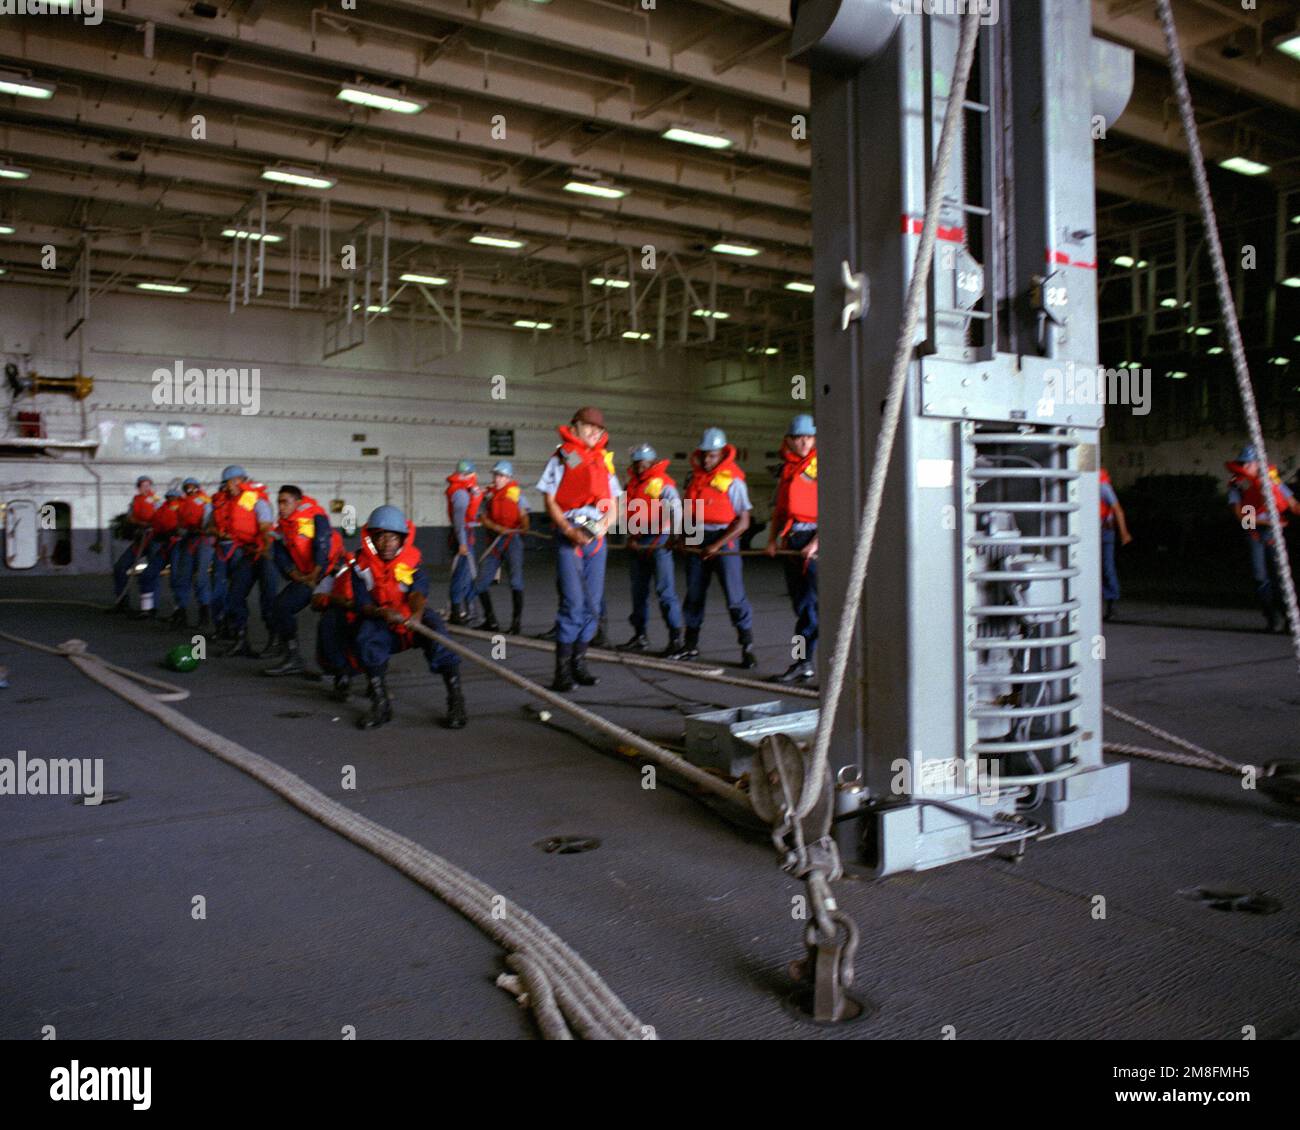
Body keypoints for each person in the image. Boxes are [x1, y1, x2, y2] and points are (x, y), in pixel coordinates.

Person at [336, 506, 466, 730]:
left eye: (393, 537)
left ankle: (456, 701)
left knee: (440, 637)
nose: (387, 543)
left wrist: (415, 616)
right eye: (382, 537)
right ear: (372, 539)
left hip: (411, 616)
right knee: (365, 637)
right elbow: (362, 603)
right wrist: (380, 612)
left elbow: (417, 592)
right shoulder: (360, 565)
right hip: (382, 618)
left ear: (402, 539)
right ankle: (381, 705)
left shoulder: (411, 561)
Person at [537, 406, 621, 691]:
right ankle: (561, 671)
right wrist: (569, 530)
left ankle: (579, 663)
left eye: (598, 429)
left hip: (596, 539)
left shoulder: (603, 462)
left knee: (592, 604)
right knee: (573, 603)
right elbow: (550, 500)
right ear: (574, 427)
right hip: (569, 535)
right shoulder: (562, 457)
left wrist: (596, 530)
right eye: (588, 427)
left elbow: (615, 505)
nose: (593, 432)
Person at [671, 427, 756, 668]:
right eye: (705, 455)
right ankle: (690, 645)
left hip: (725, 537)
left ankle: (747, 647)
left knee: (734, 596)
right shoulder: (694, 479)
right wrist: (681, 539)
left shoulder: (733, 482)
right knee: (694, 594)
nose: (707, 460)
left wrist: (717, 545)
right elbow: (689, 513)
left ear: (722, 455)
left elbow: (744, 521)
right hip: (698, 536)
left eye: (713, 455)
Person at [262, 486, 344, 677]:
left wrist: (314, 576)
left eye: (285, 502)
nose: (281, 507)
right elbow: (281, 553)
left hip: (330, 573)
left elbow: (322, 546)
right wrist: (295, 575)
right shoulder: (283, 526)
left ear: (298, 502)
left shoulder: (316, 517)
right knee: (281, 607)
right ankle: (293, 658)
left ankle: (340, 668)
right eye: (279, 502)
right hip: (307, 577)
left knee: (333, 618)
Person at [765, 414, 819, 682]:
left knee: (811, 607)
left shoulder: (823, 467)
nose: (804, 442)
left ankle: (804, 661)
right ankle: (803, 661)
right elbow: (780, 510)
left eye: (808, 437)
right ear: (789, 441)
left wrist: (816, 543)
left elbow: (835, 508)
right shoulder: (788, 470)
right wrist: (772, 539)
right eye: (799, 438)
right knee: (801, 606)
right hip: (792, 542)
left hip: (814, 543)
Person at [617, 443, 684, 655]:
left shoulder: (662, 484)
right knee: (638, 593)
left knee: (665, 592)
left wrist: (674, 536)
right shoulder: (632, 485)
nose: (639, 468)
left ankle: (676, 640)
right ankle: (640, 635)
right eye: (636, 464)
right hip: (637, 542)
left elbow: (676, 510)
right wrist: (629, 537)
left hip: (659, 542)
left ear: (653, 463)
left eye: (644, 464)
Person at [1226, 444, 1300, 633]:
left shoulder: (1272, 480)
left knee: (1280, 576)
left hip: (1274, 533)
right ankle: (1272, 618)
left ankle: (1289, 619)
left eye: (1249, 463)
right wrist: (1267, 524)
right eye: (1243, 463)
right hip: (1255, 532)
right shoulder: (1238, 483)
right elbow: (1242, 517)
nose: (1246, 466)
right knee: (1260, 577)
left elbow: (1291, 503)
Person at [213, 465, 276, 657]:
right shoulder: (231, 502)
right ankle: (241, 640)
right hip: (249, 553)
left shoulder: (254, 499)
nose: (227, 487)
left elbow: (265, 526)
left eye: (229, 483)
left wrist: (264, 549)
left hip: (265, 553)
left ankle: (276, 642)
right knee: (235, 595)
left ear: (239, 481)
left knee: (268, 599)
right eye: (225, 484)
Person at [470, 460, 530, 634]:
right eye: (496, 475)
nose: (497, 479)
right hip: (495, 542)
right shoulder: (489, 496)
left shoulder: (517, 495)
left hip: (513, 541)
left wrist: (523, 527)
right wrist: (498, 528)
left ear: (508, 478)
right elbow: (482, 517)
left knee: (516, 581)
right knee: (480, 583)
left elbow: (524, 516)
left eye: (501, 476)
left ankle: (516, 624)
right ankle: (491, 621)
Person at [135, 487, 185, 621]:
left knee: (176, 578)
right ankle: (147, 609)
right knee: (147, 575)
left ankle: (179, 611)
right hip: (163, 545)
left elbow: (185, 526)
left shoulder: (183, 508)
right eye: (169, 497)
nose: (171, 499)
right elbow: (156, 525)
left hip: (176, 545)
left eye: (173, 497)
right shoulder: (162, 509)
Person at [110, 476, 158, 611]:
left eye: (148, 485)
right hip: (140, 539)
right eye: (143, 486)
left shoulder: (156, 502)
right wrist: (138, 524)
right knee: (120, 567)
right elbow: (130, 518)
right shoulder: (135, 501)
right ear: (138, 487)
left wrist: (149, 525)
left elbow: (161, 518)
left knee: (151, 572)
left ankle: (151, 607)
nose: (145, 488)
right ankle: (122, 601)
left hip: (153, 539)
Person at [445, 459, 483, 625]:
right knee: (462, 575)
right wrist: (462, 543)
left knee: (466, 575)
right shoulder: (460, 493)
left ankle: (468, 612)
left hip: (466, 535)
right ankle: (456, 612)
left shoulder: (463, 490)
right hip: (463, 537)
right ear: (471, 474)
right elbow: (459, 520)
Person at [174, 478, 213, 629]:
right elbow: (179, 523)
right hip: (188, 539)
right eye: (187, 487)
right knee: (183, 576)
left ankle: (205, 612)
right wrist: (184, 531)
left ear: (197, 487)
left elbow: (209, 518)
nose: (190, 489)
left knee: (201, 576)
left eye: (192, 487)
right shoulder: (182, 503)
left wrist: (202, 529)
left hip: (203, 540)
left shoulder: (205, 500)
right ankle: (181, 611)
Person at [1099, 467, 1132, 622]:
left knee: (1107, 568)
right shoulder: (1099, 484)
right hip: (1097, 532)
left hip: (1105, 532)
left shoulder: (1103, 487)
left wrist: (1124, 533)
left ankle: (1111, 605)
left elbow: (1118, 511)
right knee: (1104, 568)